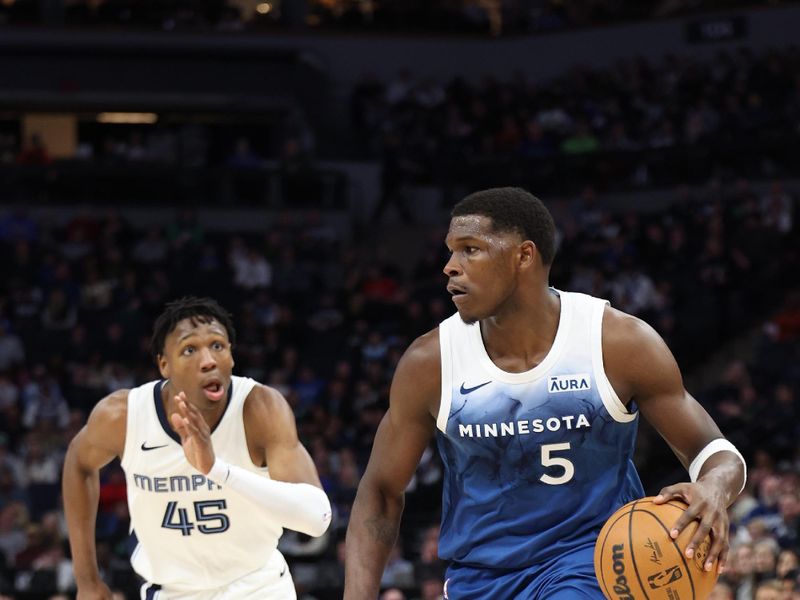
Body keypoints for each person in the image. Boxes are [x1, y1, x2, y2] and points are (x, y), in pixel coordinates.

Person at [344, 187, 746, 598]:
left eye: (470, 250)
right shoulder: (430, 362)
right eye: (450, 251)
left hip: (592, 565)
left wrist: (714, 486)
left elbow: (712, 450)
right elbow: (379, 492)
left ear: (524, 256)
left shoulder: (615, 342)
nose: (449, 267)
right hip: (478, 579)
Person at [63, 297, 331, 599]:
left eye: (217, 345)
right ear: (164, 364)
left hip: (258, 586)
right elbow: (78, 462)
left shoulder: (259, 409)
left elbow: (316, 520)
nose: (208, 360)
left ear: (231, 355)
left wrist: (216, 470)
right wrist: (86, 579)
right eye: (189, 349)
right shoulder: (124, 415)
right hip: (173, 592)